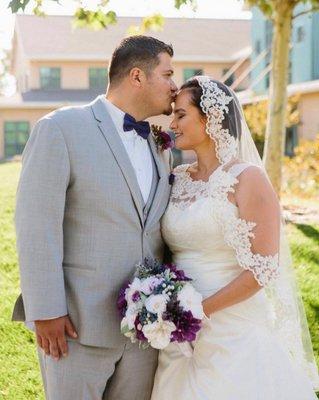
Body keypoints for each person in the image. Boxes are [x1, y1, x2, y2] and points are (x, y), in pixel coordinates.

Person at [12, 35, 177, 400]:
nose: (174, 85)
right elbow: (36, 227)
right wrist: (46, 311)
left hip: (144, 335)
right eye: (167, 74)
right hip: (75, 329)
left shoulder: (159, 144)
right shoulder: (60, 129)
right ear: (137, 76)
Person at [151, 76, 319, 399]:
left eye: (181, 114)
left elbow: (263, 268)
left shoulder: (247, 178)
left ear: (210, 118)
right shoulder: (177, 179)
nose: (172, 122)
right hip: (177, 335)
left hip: (233, 332)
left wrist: (199, 311)